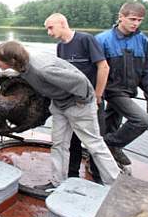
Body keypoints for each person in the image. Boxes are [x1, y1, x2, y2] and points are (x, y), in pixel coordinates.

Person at [0, 41, 120, 190]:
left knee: (94, 144)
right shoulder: (25, 66)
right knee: (59, 144)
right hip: (60, 104)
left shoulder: (43, 69)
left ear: (13, 61)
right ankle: (57, 181)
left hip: (79, 105)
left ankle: (115, 185)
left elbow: (80, 81)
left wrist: (82, 101)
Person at [44, 13, 109, 183]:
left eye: (51, 28)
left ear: (63, 23)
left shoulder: (86, 40)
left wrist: (98, 95)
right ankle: (71, 177)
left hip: (90, 101)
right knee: (71, 142)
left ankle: (99, 179)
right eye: (47, 29)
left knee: (94, 143)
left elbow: (103, 67)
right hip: (70, 103)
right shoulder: (60, 47)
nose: (49, 32)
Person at [95, 2, 148, 168]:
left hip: (129, 90)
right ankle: (109, 144)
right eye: (132, 19)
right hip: (111, 91)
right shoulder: (102, 40)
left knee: (111, 124)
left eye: (140, 20)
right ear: (120, 17)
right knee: (142, 120)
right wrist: (95, 95)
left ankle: (103, 157)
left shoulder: (143, 40)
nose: (136, 23)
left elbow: (147, 70)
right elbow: (93, 69)